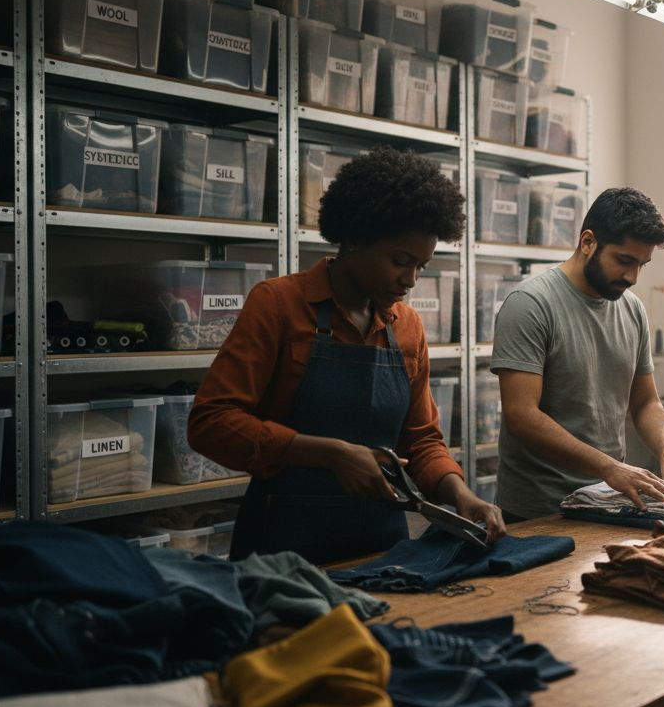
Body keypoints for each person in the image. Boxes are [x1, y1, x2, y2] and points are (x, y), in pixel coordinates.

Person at [189, 147, 504, 564]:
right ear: (355, 238)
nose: (409, 280)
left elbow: (421, 438)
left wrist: (459, 493)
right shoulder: (279, 305)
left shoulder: (406, 326)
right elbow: (211, 424)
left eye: (421, 267)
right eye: (400, 261)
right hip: (283, 550)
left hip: (383, 548)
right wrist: (331, 454)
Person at [490, 187, 664, 520]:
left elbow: (645, 402)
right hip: (539, 511)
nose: (633, 277)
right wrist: (610, 467)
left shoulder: (632, 310)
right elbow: (522, 415)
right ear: (587, 242)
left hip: (607, 500)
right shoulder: (530, 305)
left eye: (642, 264)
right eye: (624, 260)